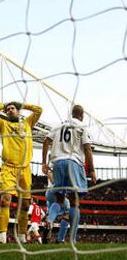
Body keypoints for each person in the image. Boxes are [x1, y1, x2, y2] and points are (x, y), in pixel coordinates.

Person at [0, 101, 42, 244]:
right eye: (8, 109)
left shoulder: (28, 123)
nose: (10, 110)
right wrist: (3, 105)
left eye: (12, 108)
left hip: (25, 170)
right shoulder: (3, 124)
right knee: (6, 200)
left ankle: (22, 237)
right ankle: (2, 238)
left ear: (18, 111)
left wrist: (23, 105)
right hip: (8, 169)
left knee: (24, 205)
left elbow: (38, 110)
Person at [42, 104, 96, 244]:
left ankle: (50, 218)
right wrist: (92, 170)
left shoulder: (59, 125)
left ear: (71, 114)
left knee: (60, 200)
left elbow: (46, 140)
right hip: (73, 163)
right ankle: (72, 238)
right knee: (74, 202)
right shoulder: (82, 127)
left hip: (57, 164)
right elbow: (87, 149)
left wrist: (43, 162)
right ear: (82, 115)